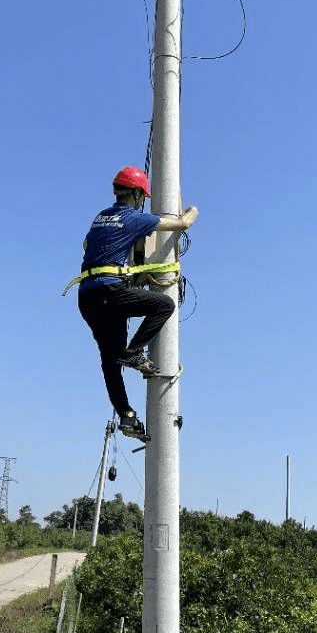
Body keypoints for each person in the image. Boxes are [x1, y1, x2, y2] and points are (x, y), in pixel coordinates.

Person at [75, 166, 198, 441]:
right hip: (110, 291)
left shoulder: (100, 217)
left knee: (110, 358)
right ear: (136, 194)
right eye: (142, 195)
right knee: (163, 305)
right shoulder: (134, 218)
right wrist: (193, 210)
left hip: (87, 296)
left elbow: (87, 244)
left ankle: (127, 416)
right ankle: (134, 352)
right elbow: (181, 224)